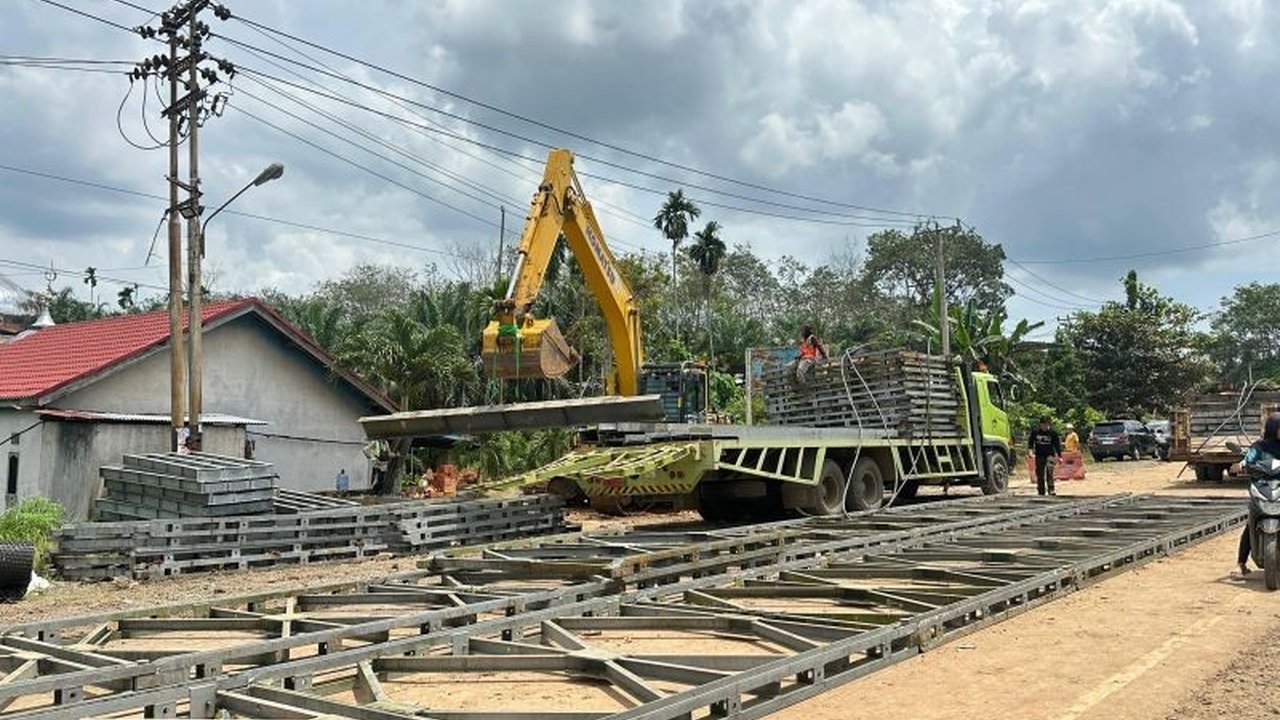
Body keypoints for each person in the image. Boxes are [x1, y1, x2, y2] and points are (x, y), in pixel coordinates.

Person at [1233, 412, 1280, 575]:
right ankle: (1241, 564)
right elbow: (1249, 458)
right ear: (1273, 428)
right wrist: (1241, 464)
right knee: (1251, 522)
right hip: (1262, 487)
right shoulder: (1259, 446)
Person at [1027, 416, 1062, 496]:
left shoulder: (1053, 433)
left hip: (1050, 455)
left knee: (1049, 471)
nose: (1045, 427)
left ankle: (1051, 489)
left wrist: (1059, 456)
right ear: (1040, 425)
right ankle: (1041, 491)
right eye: (1043, 425)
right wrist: (1030, 451)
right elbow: (1030, 442)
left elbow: (1057, 445)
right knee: (1040, 473)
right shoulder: (1035, 432)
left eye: (1047, 425)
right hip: (1039, 455)